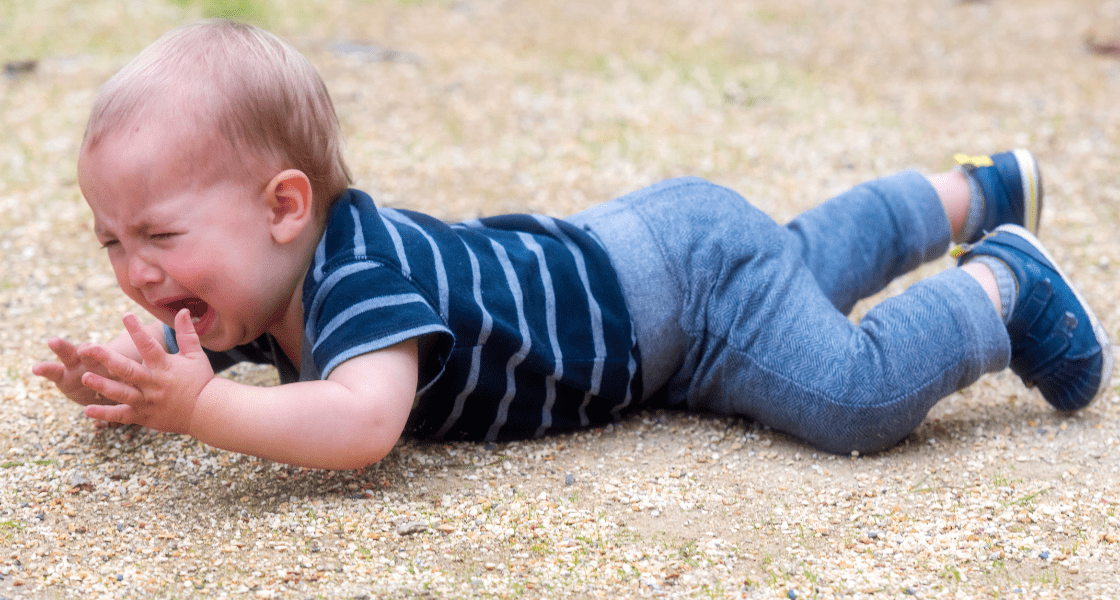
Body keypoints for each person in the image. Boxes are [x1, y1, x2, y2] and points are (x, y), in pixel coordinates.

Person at [33, 20, 1113, 470]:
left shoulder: (353, 278)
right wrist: (149, 389)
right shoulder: (266, 285)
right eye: (113, 240)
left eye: (161, 235)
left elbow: (359, 424)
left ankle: (995, 289)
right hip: (657, 252)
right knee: (798, 257)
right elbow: (232, 374)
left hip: (678, 311)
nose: (135, 270)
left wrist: (204, 411)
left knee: (848, 395)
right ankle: (967, 190)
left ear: (283, 207)